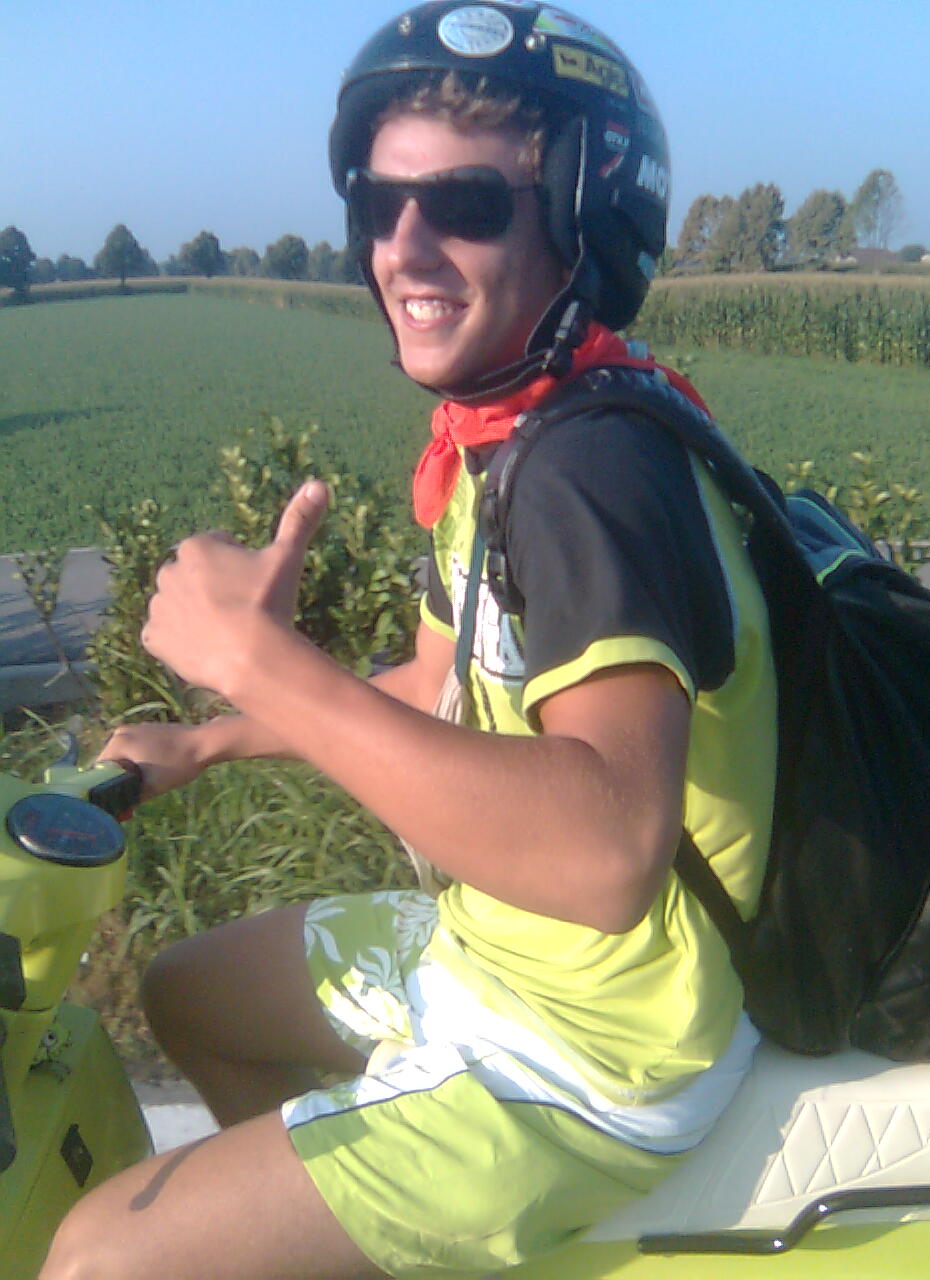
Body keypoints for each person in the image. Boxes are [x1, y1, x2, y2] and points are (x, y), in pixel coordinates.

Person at [40, 5, 777, 1278]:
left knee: (100, 1253)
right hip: (494, 944)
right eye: (379, 205)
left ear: (582, 222)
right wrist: (214, 736)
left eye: (467, 205)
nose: (405, 246)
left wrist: (264, 660)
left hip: (595, 1043)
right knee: (188, 993)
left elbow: (608, 850)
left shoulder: (591, 471)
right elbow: (437, 681)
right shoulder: (505, 436)